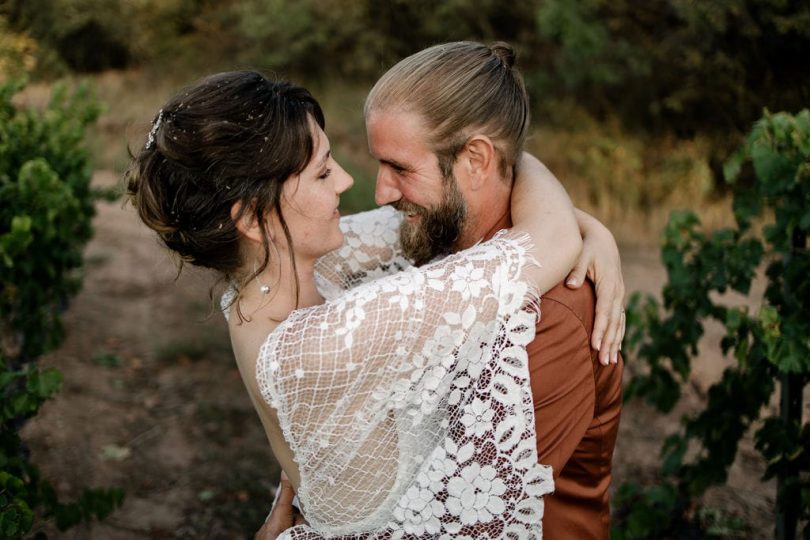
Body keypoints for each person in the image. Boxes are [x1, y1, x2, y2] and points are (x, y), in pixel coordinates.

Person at [125, 68, 614, 539]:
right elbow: (542, 243)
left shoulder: (271, 282)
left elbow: (428, 223)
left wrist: (580, 220)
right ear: (255, 219)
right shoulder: (325, 342)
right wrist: (572, 216)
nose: (345, 181)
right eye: (321, 174)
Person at [264, 41, 624, 539]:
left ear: (476, 160)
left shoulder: (552, 318)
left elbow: (440, 520)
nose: (382, 192)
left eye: (401, 169)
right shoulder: (438, 238)